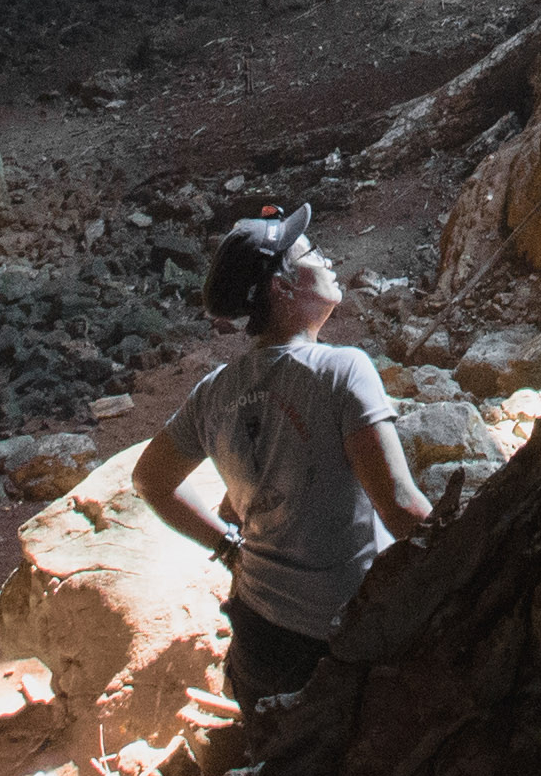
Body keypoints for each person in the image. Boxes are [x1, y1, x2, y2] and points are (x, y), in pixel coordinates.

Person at [137, 205, 432, 714]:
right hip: (346, 640)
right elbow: (402, 509)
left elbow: (150, 479)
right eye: (311, 252)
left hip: (260, 642)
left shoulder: (213, 393)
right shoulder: (343, 370)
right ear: (283, 286)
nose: (328, 258)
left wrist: (228, 545)